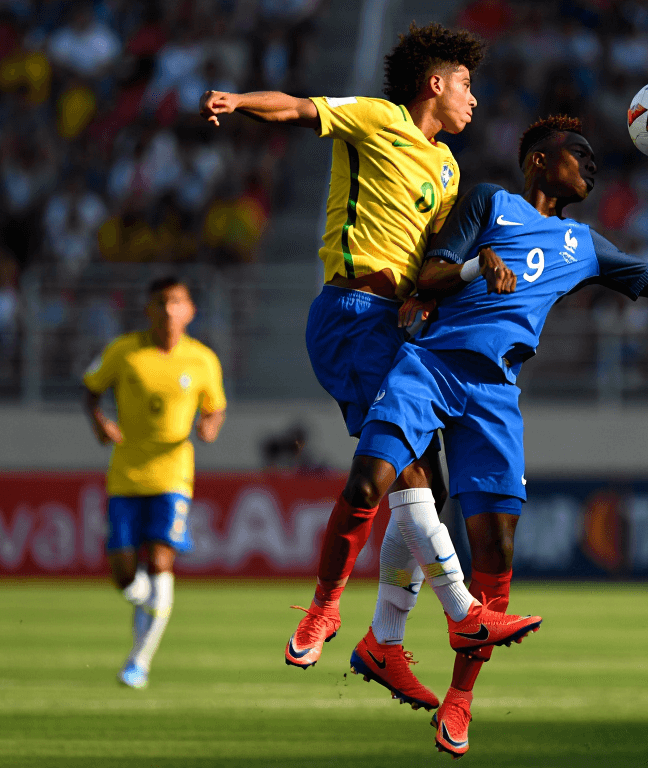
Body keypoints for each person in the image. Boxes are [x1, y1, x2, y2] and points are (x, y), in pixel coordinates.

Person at [347, 115, 648, 757]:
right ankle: (365, 630)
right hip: (432, 362)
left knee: (496, 547)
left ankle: (458, 700)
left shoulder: (585, 245)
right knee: (404, 493)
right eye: (578, 153)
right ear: (538, 160)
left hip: (497, 391)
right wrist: (463, 277)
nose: (592, 165)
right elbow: (430, 274)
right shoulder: (489, 202)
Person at [199, 23, 486, 671]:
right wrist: (241, 100)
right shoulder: (379, 119)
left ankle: (373, 633)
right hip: (353, 316)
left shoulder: (447, 167)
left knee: (422, 487)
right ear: (435, 85)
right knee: (404, 472)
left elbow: (432, 263)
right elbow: (300, 108)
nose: (474, 99)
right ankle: (456, 613)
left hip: (399, 328)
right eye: (466, 85)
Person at [82, 277, 226, 689]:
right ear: (148, 309)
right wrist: (100, 423)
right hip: (126, 472)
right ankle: (151, 602)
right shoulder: (124, 352)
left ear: (190, 311)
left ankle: (138, 662)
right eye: (161, 302)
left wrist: (209, 425)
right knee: (124, 573)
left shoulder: (202, 359)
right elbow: (89, 389)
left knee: (161, 562)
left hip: (173, 475)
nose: (168, 310)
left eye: (176, 302)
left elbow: (215, 407)